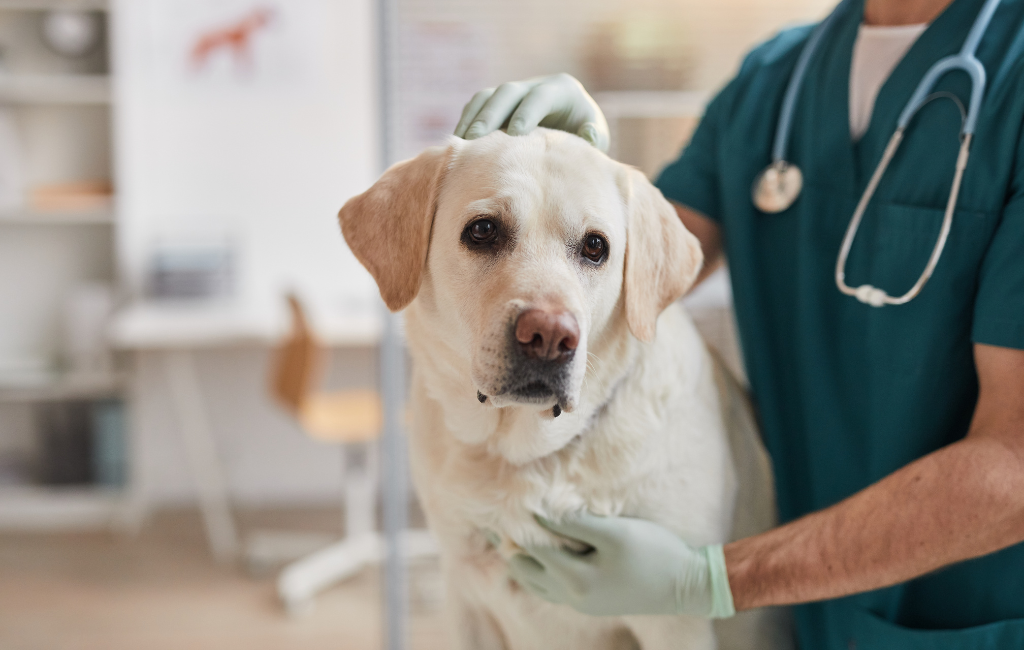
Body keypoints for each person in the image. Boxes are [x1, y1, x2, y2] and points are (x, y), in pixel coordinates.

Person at [453, 0, 1024, 647]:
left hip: (970, 613)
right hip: (800, 614)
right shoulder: (773, 81)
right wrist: (576, 180)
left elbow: (1017, 460)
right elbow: (637, 266)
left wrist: (708, 580)